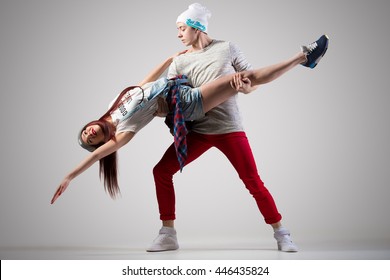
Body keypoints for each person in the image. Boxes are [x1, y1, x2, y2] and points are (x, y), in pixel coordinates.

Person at [50, 33, 328, 211]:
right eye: (91, 140)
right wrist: (70, 176)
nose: (89, 134)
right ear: (101, 141)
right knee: (245, 78)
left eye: (85, 132)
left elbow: (143, 84)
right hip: (185, 104)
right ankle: (304, 57)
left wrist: (169, 58)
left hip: (177, 87)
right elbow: (98, 156)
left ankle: (303, 60)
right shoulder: (123, 132)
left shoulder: (114, 104)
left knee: (244, 80)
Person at [148, 3, 329, 253]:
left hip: (228, 128)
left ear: (197, 27)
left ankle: (282, 234)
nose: (178, 34)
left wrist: (245, 88)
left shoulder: (227, 48)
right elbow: (174, 99)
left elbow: (252, 80)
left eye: (181, 28)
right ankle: (168, 234)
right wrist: (161, 109)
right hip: (197, 131)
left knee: (252, 181)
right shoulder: (180, 62)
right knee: (161, 171)